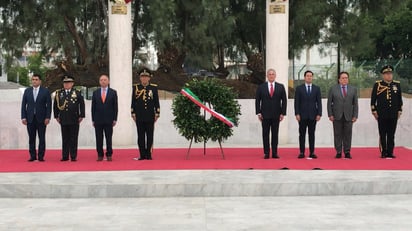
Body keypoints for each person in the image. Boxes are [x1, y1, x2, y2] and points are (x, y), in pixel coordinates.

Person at [371, 65, 403, 159]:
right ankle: (383, 151)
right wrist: (374, 111)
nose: (389, 76)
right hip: (382, 113)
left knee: (391, 134)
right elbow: (373, 100)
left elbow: (399, 99)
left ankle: (390, 152)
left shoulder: (396, 84)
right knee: (382, 133)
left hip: (393, 113)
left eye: (390, 74)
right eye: (387, 74)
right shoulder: (378, 85)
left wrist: (399, 110)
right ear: (383, 75)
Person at [255, 68, 287, 159]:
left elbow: (284, 101)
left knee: (275, 134)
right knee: (265, 134)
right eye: (270, 74)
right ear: (267, 76)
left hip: (276, 115)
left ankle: (274, 153)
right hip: (264, 115)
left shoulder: (280, 87)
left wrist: (283, 113)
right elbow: (258, 100)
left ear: (275, 76)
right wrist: (258, 113)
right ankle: (266, 153)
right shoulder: (261, 87)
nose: (271, 76)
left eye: (273, 74)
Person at [53, 75, 85, 161]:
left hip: (74, 118)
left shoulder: (77, 92)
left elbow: (82, 105)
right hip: (63, 118)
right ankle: (65, 156)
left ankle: (73, 156)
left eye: (68, 83)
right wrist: (56, 116)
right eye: (65, 83)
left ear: (72, 83)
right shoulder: (59, 93)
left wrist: (82, 115)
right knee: (65, 138)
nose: (66, 84)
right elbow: (55, 106)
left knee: (74, 138)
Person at [327, 71, 358, 159]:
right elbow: (329, 103)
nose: (345, 80)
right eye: (343, 78)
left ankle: (347, 152)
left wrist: (355, 115)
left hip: (349, 115)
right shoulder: (333, 89)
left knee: (348, 134)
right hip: (337, 115)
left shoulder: (353, 89)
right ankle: (339, 152)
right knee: (337, 134)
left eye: (346, 78)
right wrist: (330, 114)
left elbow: (355, 103)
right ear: (339, 80)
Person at [20, 74, 52, 162]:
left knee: (42, 138)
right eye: (33, 79)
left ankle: (41, 156)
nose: (34, 81)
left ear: (40, 81)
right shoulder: (27, 91)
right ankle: (32, 156)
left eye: (36, 79)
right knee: (31, 138)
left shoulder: (45, 91)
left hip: (42, 119)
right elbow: (23, 105)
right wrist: (23, 117)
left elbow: (49, 105)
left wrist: (48, 117)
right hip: (30, 118)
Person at [131, 68, 160, 160]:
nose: (144, 79)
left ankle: (149, 154)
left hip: (150, 115)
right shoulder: (136, 88)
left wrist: (157, 113)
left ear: (149, 78)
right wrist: (133, 112)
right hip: (139, 115)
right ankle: (142, 154)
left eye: (146, 77)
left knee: (150, 135)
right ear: (140, 78)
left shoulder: (153, 88)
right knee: (140, 136)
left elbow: (156, 102)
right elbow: (133, 101)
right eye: (142, 77)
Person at [294, 70, 322, 159]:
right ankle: (302, 152)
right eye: (307, 76)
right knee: (302, 134)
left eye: (310, 76)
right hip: (302, 115)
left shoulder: (316, 88)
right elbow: (296, 102)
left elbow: (319, 102)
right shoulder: (299, 88)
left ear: (312, 77)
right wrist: (297, 113)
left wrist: (319, 114)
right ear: (304, 77)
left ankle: (312, 152)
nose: (309, 77)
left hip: (313, 115)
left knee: (311, 134)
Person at [91, 74, 118, 161]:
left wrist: (115, 118)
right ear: (99, 82)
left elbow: (115, 107)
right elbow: (93, 107)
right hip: (98, 119)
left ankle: (109, 154)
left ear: (108, 81)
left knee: (108, 138)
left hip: (109, 119)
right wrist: (93, 119)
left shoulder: (113, 92)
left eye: (105, 80)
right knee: (99, 138)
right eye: (101, 80)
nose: (103, 81)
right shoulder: (95, 93)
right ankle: (100, 154)